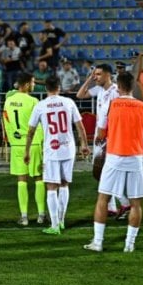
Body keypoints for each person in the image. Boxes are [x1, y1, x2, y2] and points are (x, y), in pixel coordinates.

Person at [83, 72, 143, 253]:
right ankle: (129, 244)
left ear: (119, 87)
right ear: (132, 87)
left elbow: (101, 134)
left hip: (114, 157)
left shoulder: (110, 105)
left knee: (103, 199)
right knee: (136, 203)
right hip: (135, 158)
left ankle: (98, 242)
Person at [24, 75, 89, 235]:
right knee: (65, 184)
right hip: (68, 148)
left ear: (45, 88)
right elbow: (80, 126)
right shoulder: (69, 102)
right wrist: (84, 145)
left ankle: (54, 225)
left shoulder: (41, 105)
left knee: (51, 187)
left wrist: (27, 151)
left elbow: (31, 131)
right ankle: (61, 221)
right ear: (59, 87)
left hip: (51, 150)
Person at [76, 63, 130, 217]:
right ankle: (112, 207)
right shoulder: (99, 90)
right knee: (101, 172)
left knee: (106, 172)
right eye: (95, 74)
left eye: (98, 74)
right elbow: (80, 95)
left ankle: (124, 203)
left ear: (108, 75)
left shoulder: (115, 91)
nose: (96, 77)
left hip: (110, 136)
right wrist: (88, 80)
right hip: (100, 136)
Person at [4, 73, 45, 226]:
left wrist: (13, 141)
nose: (34, 85)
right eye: (33, 83)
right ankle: (41, 215)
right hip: (33, 144)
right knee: (38, 178)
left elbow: (6, 122)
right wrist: (41, 143)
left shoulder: (8, 101)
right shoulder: (34, 101)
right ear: (27, 84)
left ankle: (24, 217)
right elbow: (39, 125)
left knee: (21, 179)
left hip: (17, 145)